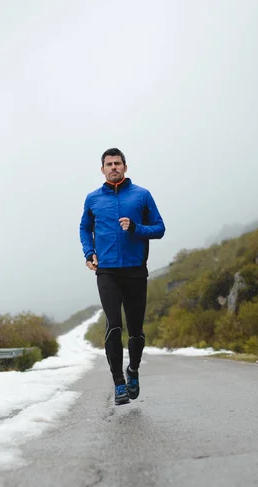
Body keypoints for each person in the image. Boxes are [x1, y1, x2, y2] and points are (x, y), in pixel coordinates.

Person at [79, 148, 165, 405]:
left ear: (125, 167)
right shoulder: (92, 199)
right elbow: (84, 228)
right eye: (109, 164)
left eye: (118, 163)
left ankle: (133, 371)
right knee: (114, 325)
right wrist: (89, 252)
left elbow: (160, 228)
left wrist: (136, 228)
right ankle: (118, 383)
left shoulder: (142, 195)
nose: (113, 167)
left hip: (135, 270)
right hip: (106, 271)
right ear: (102, 169)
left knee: (135, 330)